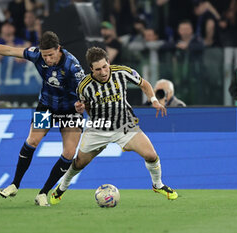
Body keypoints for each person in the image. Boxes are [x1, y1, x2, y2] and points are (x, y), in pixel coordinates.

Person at [0, 31, 85, 206]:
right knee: (32, 141)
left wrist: (83, 104)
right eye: (45, 56)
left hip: (70, 110)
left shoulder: (73, 66)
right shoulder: (37, 55)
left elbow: (86, 91)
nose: (47, 59)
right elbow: (9, 51)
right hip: (47, 107)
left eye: (51, 55)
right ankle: (14, 184)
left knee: (69, 152)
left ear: (59, 49)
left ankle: (43, 193)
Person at [50, 47, 178, 205]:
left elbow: (144, 84)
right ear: (91, 69)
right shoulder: (84, 86)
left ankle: (158, 185)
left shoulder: (123, 72)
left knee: (151, 155)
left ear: (108, 62)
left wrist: (154, 101)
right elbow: (86, 107)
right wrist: (81, 109)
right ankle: (61, 187)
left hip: (124, 125)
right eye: (98, 69)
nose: (103, 72)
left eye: (105, 67)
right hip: (98, 128)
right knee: (79, 163)